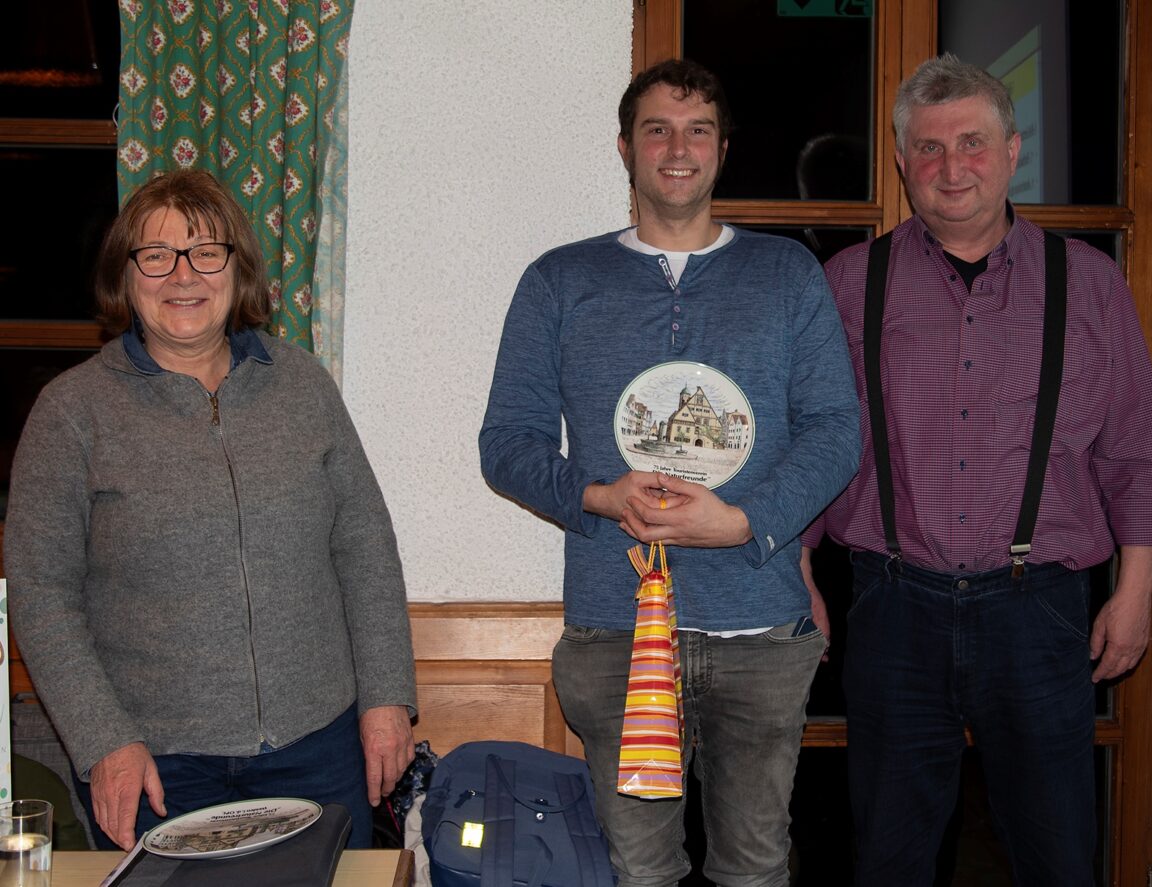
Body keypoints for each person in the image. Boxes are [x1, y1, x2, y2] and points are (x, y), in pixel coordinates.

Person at [479, 59, 860, 886]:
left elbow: (837, 432)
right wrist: (595, 497)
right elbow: (506, 442)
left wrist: (744, 521)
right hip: (617, 632)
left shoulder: (788, 275)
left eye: (696, 130)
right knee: (640, 872)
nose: (676, 148)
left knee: (755, 866)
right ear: (625, 148)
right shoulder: (558, 280)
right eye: (657, 128)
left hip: (760, 631)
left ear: (723, 149)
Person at [800, 55, 1152, 886]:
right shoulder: (850, 286)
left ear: (1013, 151)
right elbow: (816, 444)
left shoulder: (1089, 284)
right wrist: (800, 571)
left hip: (1041, 616)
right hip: (894, 610)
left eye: (971, 143)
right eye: (928, 149)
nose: (950, 167)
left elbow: (1132, 451)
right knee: (889, 861)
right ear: (902, 166)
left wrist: (1136, 590)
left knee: (1056, 859)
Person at [3, 169, 417, 851]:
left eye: (205, 251)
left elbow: (365, 549)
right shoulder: (72, 413)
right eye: (156, 255)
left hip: (318, 748)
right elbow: (43, 594)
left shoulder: (302, 386)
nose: (182, 275)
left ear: (237, 268)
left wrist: (387, 699)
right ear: (126, 277)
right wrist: (103, 739)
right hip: (155, 767)